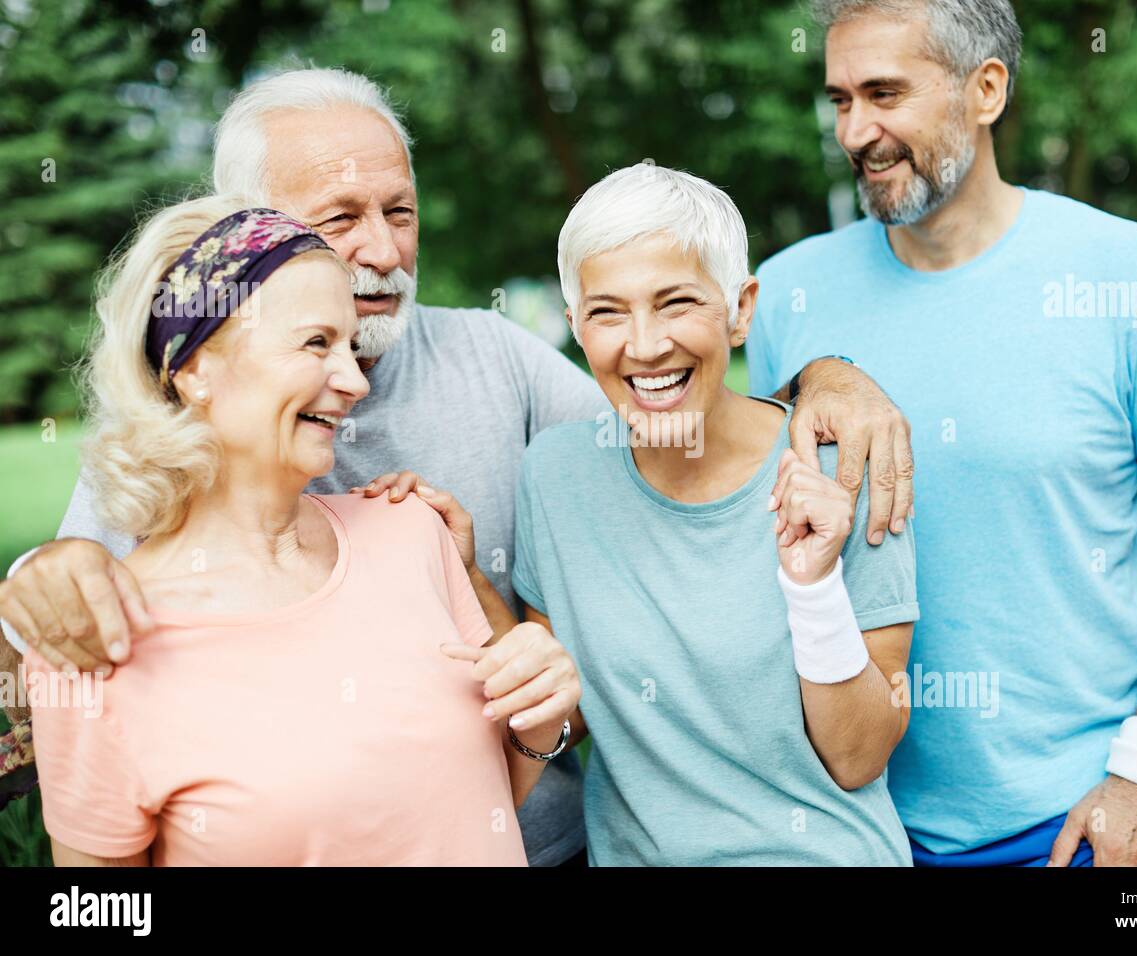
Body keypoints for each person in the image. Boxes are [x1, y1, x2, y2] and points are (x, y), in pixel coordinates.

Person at [0, 68, 917, 866]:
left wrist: (821, 383)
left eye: (399, 211)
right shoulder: (156, 492)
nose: (386, 250)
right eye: (340, 220)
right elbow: (60, 668)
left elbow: (670, 407)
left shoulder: (482, 392)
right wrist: (35, 574)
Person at [748, 0, 1137, 866]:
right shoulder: (787, 293)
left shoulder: (1129, 272)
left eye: (884, 93)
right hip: (845, 829)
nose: (854, 130)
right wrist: (809, 376)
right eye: (839, 99)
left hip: (1071, 827)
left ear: (986, 90)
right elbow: (751, 522)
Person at [25, 197, 581, 865]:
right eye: (317, 342)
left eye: (349, 345)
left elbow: (472, 807)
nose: (352, 381)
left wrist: (538, 716)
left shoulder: (414, 534)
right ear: (195, 365)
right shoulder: (97, 642)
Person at [510, 165, 919, 865]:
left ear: (740, 309)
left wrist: (812, 588)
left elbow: (858, 756)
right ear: (576, 324)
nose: (644, 345)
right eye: (608, 311)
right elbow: (564, 712)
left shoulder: (837, 466)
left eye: (677, 303)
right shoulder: (554, 475)